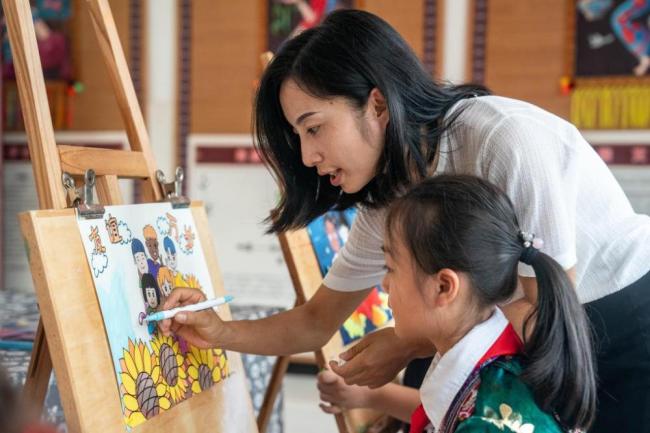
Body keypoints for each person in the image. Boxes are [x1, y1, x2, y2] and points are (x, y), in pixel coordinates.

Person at [161, 10, 650, 432]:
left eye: (314, 128)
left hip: (621, 321)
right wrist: (217, 331)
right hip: (533, 342)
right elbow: (315, 320)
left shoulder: (503, 139)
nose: (309, 156)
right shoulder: (389, 194)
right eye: (299, 136)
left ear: (376, 105)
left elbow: (542, 316)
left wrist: (405, 340)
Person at [319, 175, 597, 433]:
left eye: (391, 268)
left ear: (443, 287)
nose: (385, 284)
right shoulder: (496, 360)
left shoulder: (486, 421)